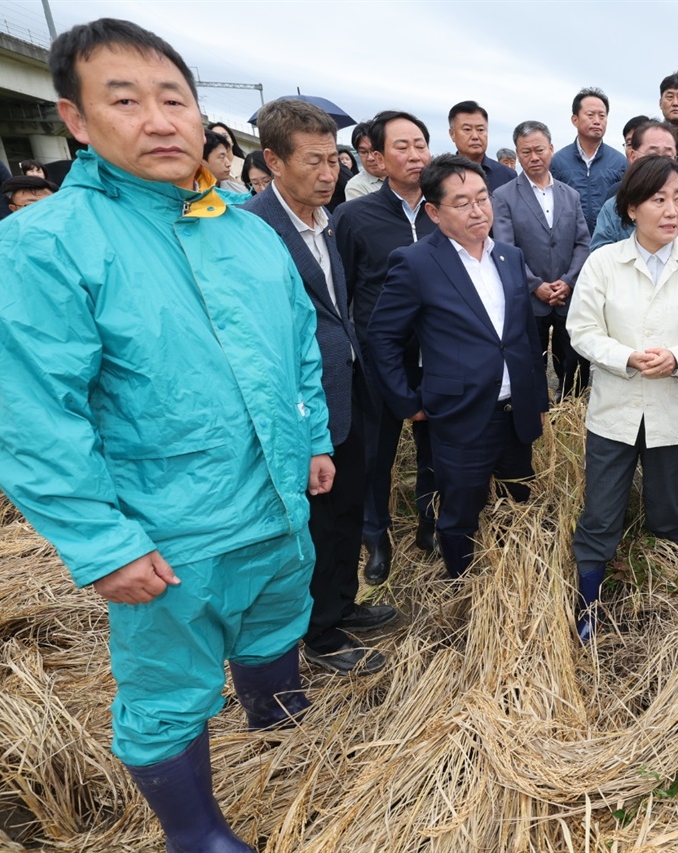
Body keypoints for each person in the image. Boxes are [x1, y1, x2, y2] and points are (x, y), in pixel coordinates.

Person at [0, 19, 334, 851]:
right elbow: (31, 415)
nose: (159, 120)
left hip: (276, 496)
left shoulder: (247, 233)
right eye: (125, 100)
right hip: (168, 525)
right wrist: (102, 542)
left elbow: (299, 352)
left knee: (277, 616)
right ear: (75, 119)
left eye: (173, 99)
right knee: (168, 687)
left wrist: (314, 437)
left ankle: (277, 713)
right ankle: (197, 832)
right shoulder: (44, 244)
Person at [245, 97, 398, 676]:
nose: (329, 172)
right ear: (273, 160)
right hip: (297, 400)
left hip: (346, 383)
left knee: (346, 504)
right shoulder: (256, 229)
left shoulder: (326, 220)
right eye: (313, 161)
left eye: (333, 159)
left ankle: (339, 604)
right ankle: (317, 632)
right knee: (315, 515)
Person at [567, 154, 678, 641]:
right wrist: (625, 357)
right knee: (600, 513)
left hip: (674, 411)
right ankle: (588, 606)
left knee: (667, 511)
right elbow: (581, 330)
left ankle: (665, 605)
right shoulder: (604, 263)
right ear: (631, 209)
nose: (671, 210)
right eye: (658, 199)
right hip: (614, 412)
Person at [366, 154, 548, 580]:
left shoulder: (509, 255)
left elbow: (524, 334)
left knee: (516, 499)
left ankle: (511, 585)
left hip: (514, 410)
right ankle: (463, 585)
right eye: (462, 202)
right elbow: (383, 338)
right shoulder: (415, 262)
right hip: (460, 412)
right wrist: (407, 401)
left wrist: (536, 396)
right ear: (433, 211)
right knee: (460, 509)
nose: (477, 210)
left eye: (482, 198)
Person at [333, 109, 439, 582]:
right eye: (402, 146)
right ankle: (375, 536)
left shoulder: (446, 210)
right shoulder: (354, 216)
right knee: (374, 454)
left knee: (435, 448)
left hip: (438, 355)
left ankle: (430, 523)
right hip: (379, 360)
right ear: (376, 156)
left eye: (420, 144)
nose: (415, 154)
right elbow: (344, 293)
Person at [493, 120, 593, 399]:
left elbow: (583, 242)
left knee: (574, 363)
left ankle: (570, 414)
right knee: (530, 364)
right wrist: (535, 284)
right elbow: (504, 247)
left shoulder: (570, 195)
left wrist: (568, 281)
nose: (534, 157)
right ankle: (536, 415)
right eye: (526, 152)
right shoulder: (503, 196)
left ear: (551, 149)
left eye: (539, 149)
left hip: (567, 296)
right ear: (517, 153)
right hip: (529, 298)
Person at [589, 120, 678, 259]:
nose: (661, 163)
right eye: (653, 155)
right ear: (633, 157)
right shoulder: (613, 207)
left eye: (668, 156)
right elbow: (600, 260)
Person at [550, 87, 628, 235]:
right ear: (575, 119)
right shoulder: (557, 162)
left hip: (609, 240)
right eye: (590, 115)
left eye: (602, 116)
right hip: (570, 242)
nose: (597, 121)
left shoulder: (619, 162)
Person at [447, 100, 517, 192]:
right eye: (467, 129)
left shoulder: (508, 176)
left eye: (480, 129)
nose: (475, 136)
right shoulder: (441, 175)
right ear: (452, 134)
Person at [346, 121, 387, 201]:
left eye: (375, 151)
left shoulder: (402, 176)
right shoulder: (355, 187)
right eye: (363, 152)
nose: (370, 158)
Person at [202, 127, 248, 196]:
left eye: (226, 156)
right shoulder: (186, 194)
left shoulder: (241, 194)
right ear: (201, 160)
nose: (228, 164)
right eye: (221, 157)